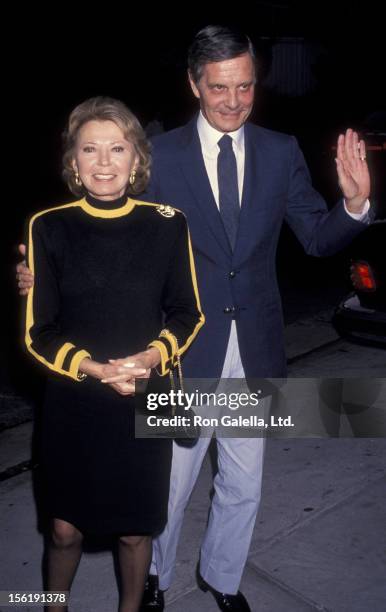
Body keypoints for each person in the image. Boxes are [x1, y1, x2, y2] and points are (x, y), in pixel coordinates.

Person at [17, 26, 371, 612]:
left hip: (253, 343)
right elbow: (101, 224)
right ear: (194, 84)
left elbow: (314, 237)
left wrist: (354, 206)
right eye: (219, 87)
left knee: (243, 480)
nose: (233, 100)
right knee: (170, 485)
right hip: (180, 352)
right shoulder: (158, 155)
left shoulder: (281, 152)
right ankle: (152, 577)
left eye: (245, 86)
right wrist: (37, 273)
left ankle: (223, 579)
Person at [22, 96, 204, 612]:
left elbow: (188, 313)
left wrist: (148, 360)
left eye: (117, 148)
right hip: (74, 402)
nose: (104, 162)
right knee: (63, 532)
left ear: (136, 158)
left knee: (133, 532)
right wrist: (97, 369)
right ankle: (52, 606)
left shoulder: (168, 224)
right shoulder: (48, 226)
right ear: (74, 162)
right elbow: (39, 331)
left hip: (145, 399)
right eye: (90, 150)